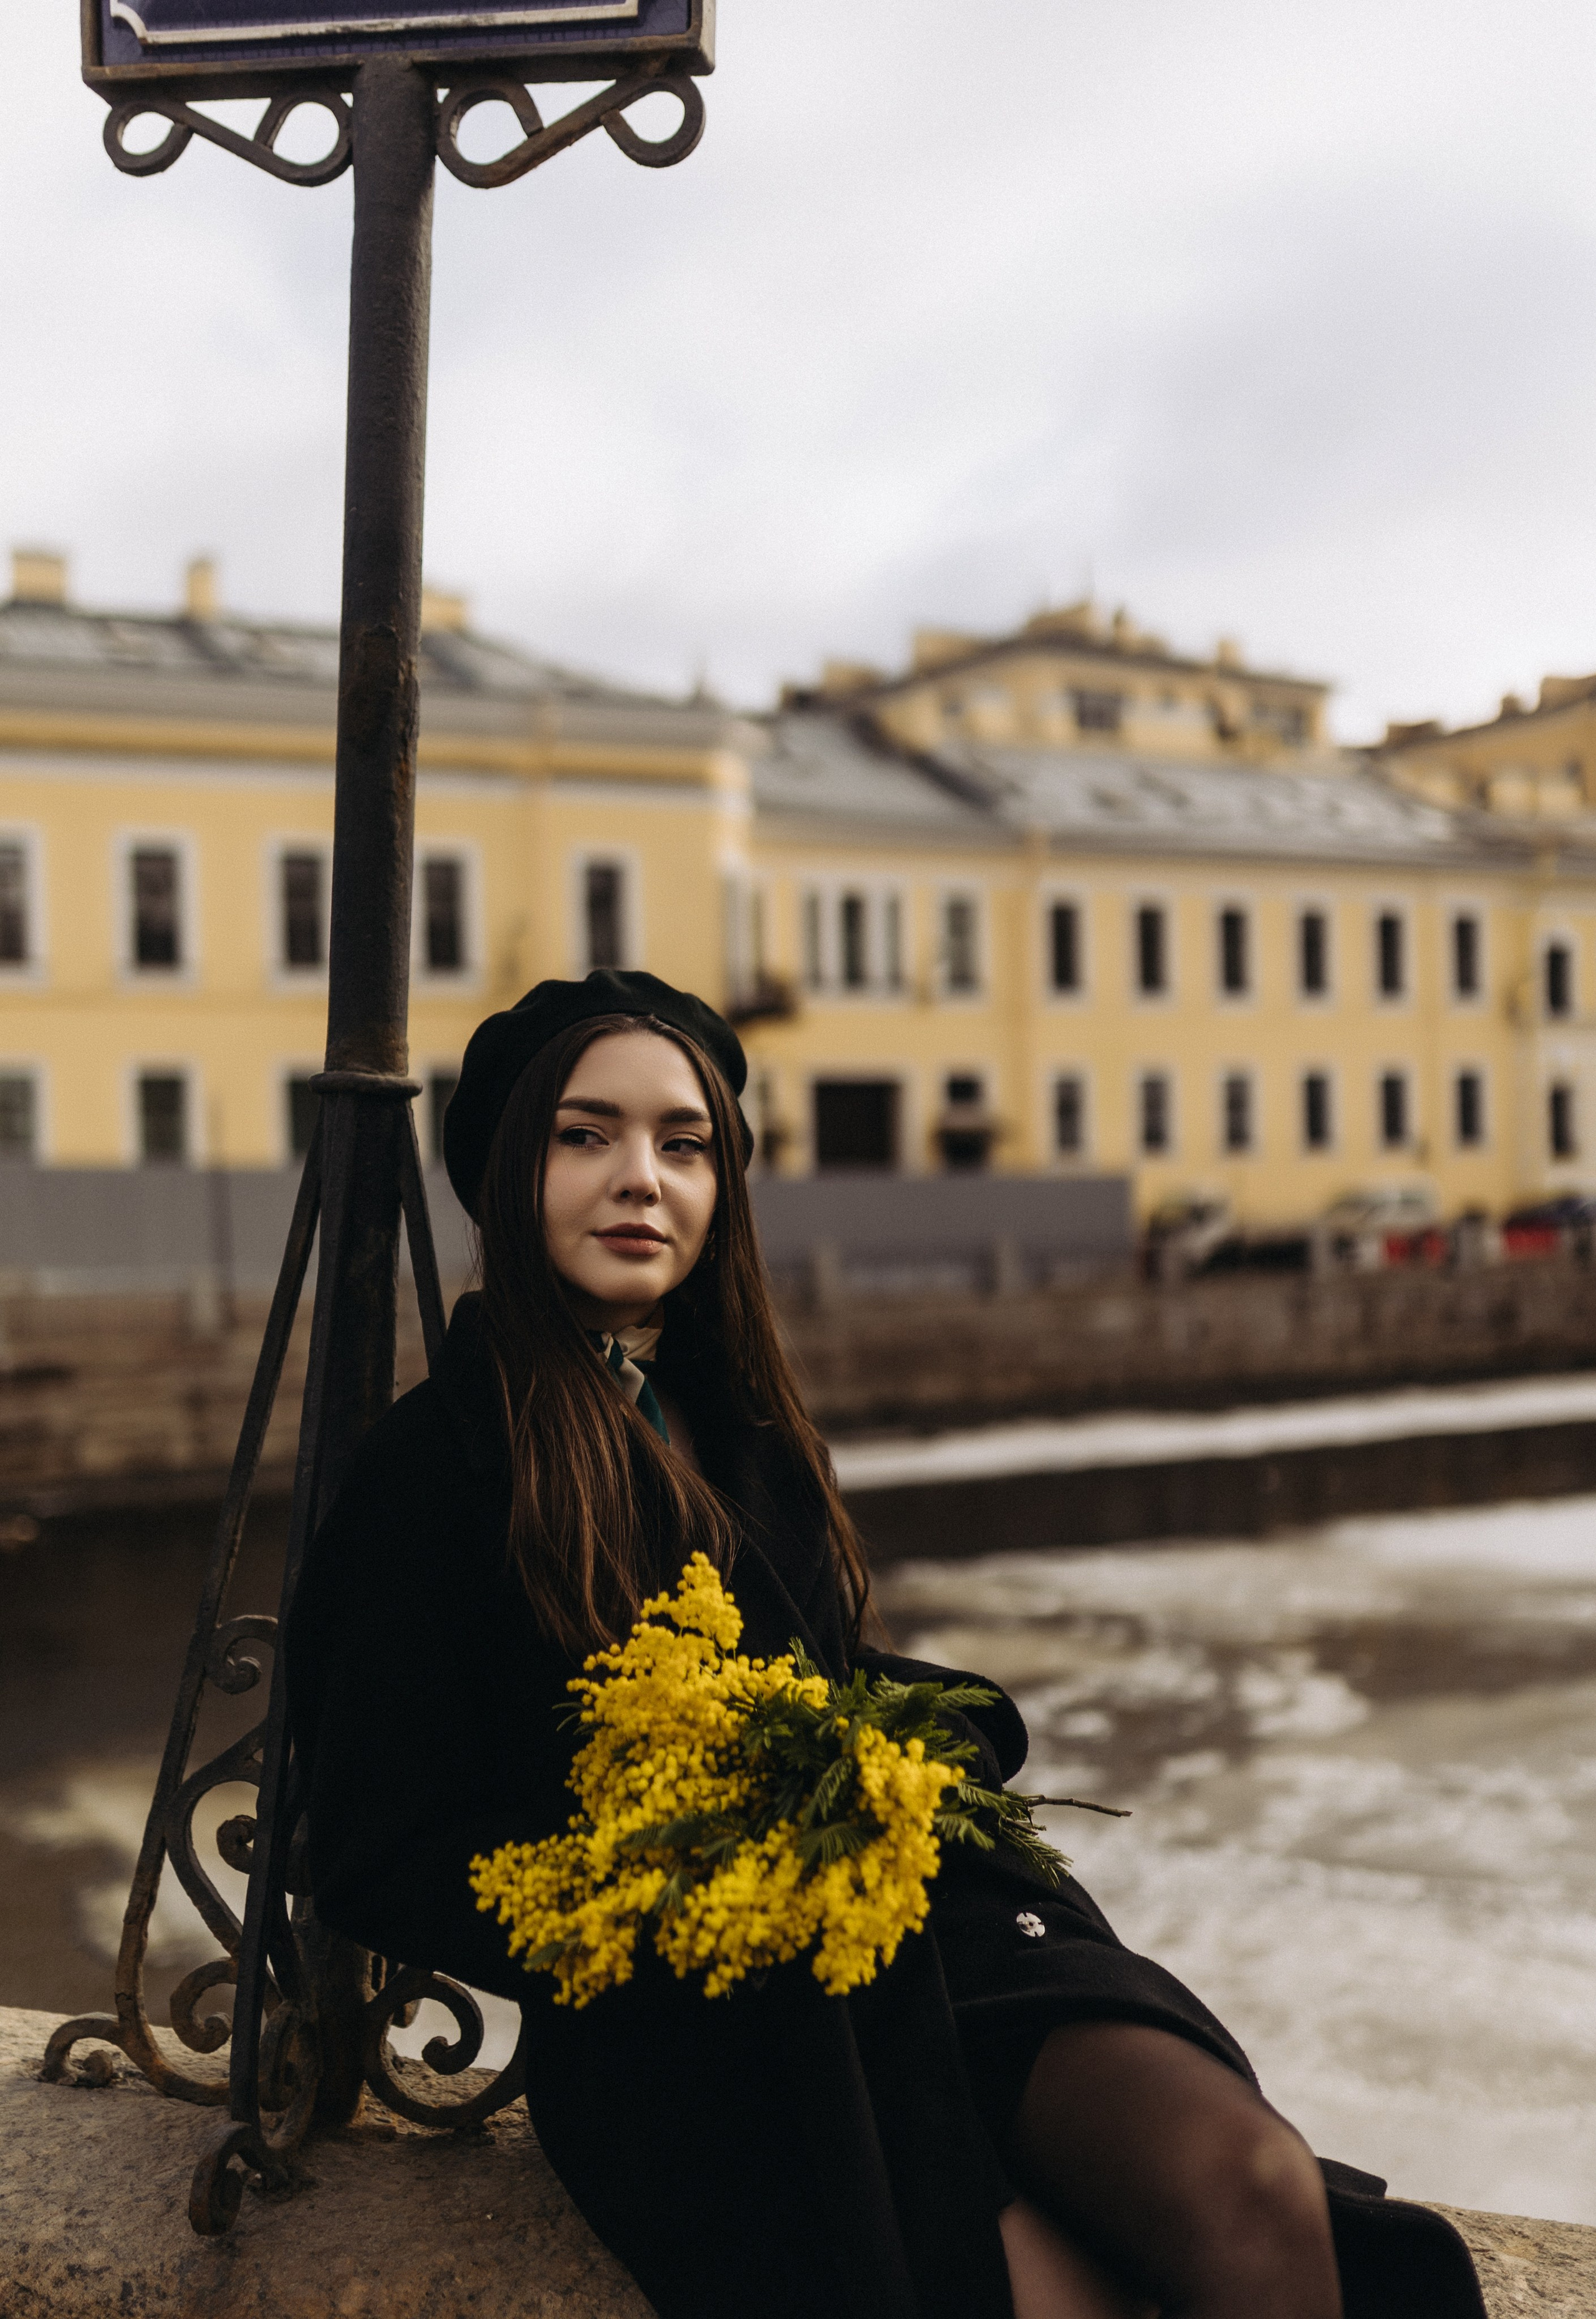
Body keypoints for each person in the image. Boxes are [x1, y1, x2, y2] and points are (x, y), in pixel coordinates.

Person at [286, 969, 1486, 2319]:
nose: (640, 1178)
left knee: (1248, 2193)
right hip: (706, 2036)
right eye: (586, 1135)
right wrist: (640, 1894)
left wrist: (917, 1738)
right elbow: (372, 1851)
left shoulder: (738, 1425)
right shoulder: (432, 1472)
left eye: (682, 1144)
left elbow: (813, 1670)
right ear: (510, 1170)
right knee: (1036, 2297)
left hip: (927, 1929)